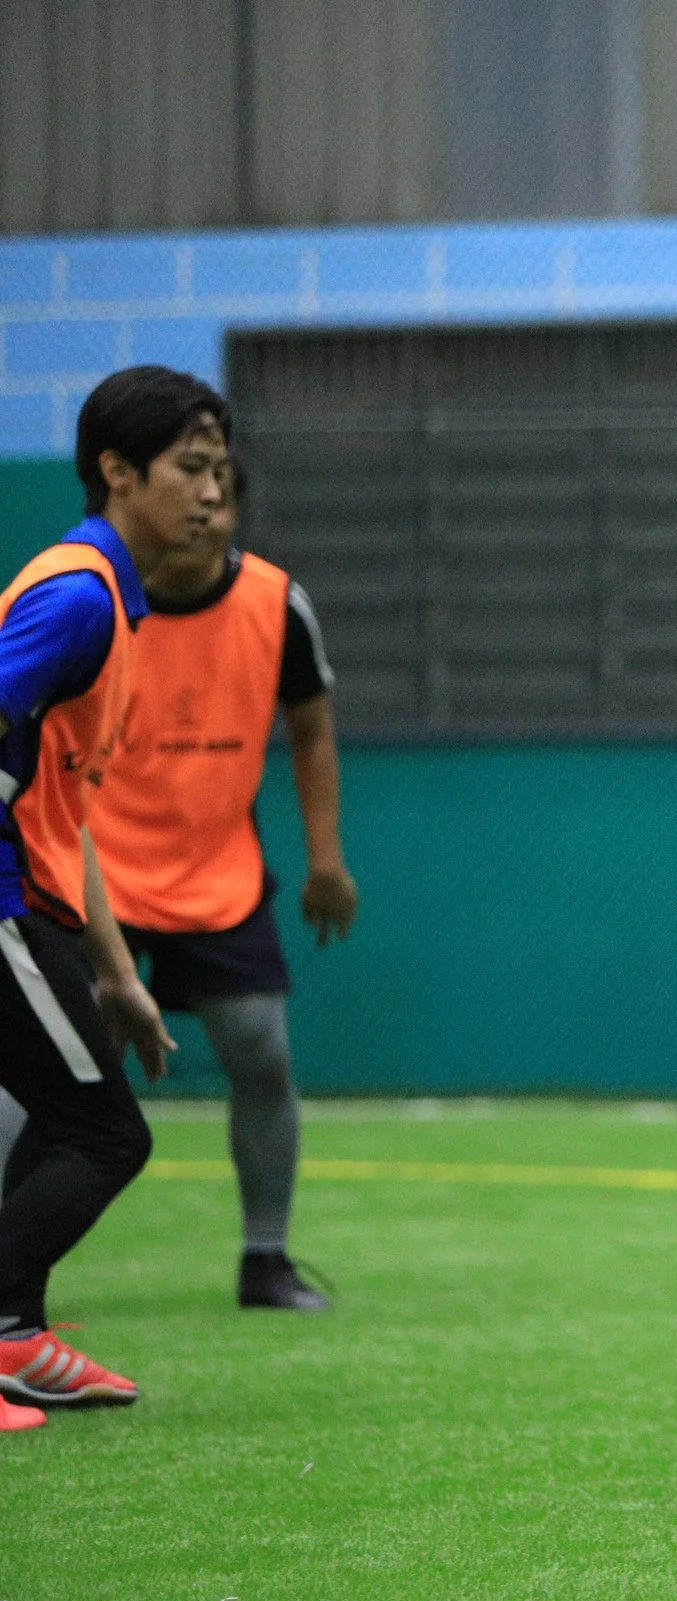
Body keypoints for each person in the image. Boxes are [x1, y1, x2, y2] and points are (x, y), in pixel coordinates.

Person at [0, 366, 223, 1428]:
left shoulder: (114, 605)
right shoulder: (78, 596)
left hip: (33, 900)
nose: (212, 493)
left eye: (219, 470)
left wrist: (116, 972)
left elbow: (67, 807)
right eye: (190, 467)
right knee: (103, 1134)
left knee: (69, 1120)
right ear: (117, 471)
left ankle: (13, 1334)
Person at [84, 457, 355, 1311]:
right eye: (190, 485)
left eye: (222, 493)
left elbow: (311, 732)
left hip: (218, 875)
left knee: (263, 1052)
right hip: (99, 875)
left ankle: (265, 1259)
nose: (206, 506)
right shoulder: (91, 598)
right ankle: (15, 1273)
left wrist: (325, 859)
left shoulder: (277, 604)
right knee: (51, 1067)